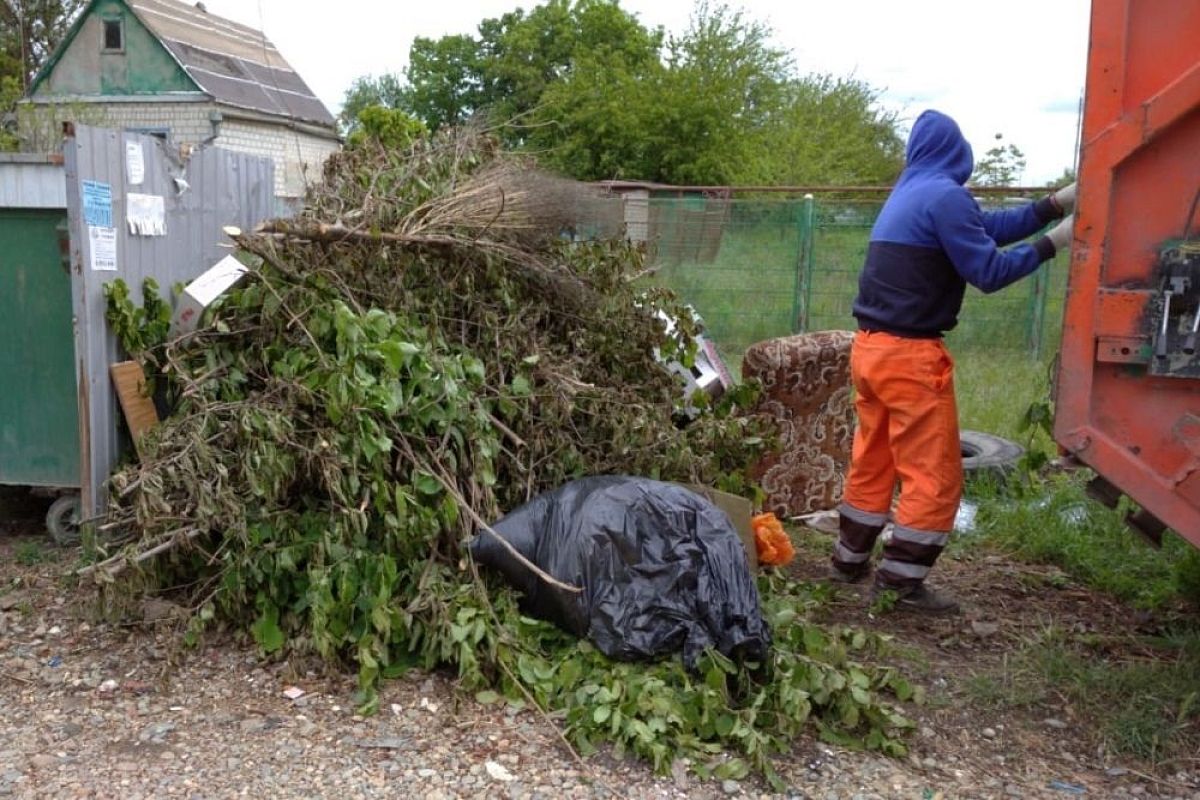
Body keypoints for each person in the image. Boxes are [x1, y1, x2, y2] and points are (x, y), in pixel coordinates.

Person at [832, 109, 1075, 614]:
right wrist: (1053, 244)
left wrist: (1053, 205)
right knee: (933, 473)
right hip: (909, 359)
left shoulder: (907, 195)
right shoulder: (945, 195)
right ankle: (900, 587)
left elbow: (985, 227)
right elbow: (987, 268)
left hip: (869, 350)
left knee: (873, 459)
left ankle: (847, 563)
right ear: (957, 151)